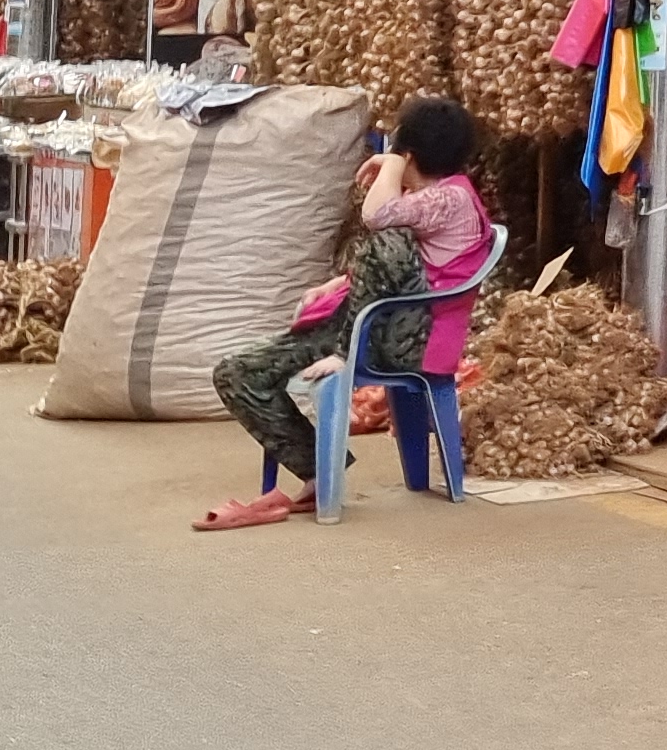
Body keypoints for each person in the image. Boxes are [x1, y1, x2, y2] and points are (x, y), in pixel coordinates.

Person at [196, 97, 492, 531]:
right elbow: (393, 270)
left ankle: (343, 352)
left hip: (408, 338)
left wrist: (391, 162)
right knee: (237, 374)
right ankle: (317, 469)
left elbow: (377, 218)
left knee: (385, 239)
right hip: (377, 326)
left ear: (409, 153)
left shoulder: (449, 199)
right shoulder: (434, 199)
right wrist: (338, 286)